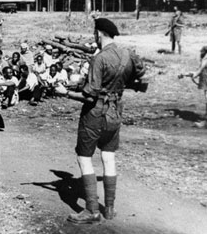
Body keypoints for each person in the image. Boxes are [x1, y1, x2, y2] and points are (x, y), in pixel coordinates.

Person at [61, 17, 146, 223]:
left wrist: (65, 93)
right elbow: (141, 74)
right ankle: (109, 208)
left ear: (98, 34)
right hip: (115, 112)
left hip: (96, 113)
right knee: (108, 157)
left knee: (84, 157)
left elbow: (90, 95)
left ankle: (92, 210)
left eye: (94, 34)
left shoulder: (99, 59)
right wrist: (120, 84)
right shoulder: (128, 54)